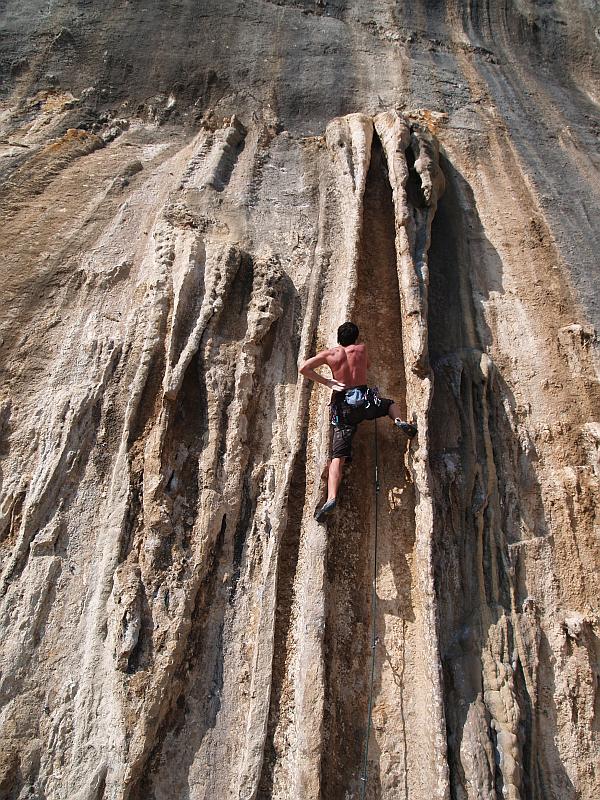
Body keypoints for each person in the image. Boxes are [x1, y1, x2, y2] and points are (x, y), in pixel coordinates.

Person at [299, 321, 417, 523]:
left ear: (338, 338)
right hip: (365, 401)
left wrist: (328, 381)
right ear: (356, 337)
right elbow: (367, 365)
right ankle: (398, 420)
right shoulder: (361, 349)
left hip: (344, 406)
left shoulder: (330, 354)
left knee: (338, 457)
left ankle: (332, 497)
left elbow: (304, 368)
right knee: (389, 404)